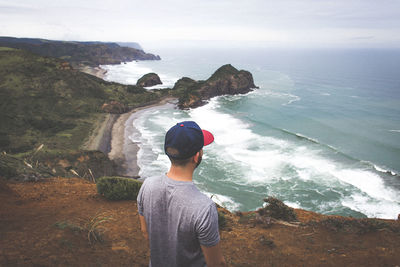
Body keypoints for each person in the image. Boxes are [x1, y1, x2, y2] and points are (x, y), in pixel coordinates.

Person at [137, 121, 226, 267]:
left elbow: (145, 232)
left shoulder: (147, 185)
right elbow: (216, 264)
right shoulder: (204, 208)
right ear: (196, 156)